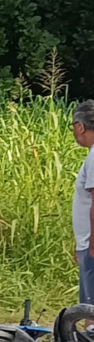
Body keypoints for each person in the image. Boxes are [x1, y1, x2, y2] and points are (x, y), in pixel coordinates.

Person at [72, 100, 94, 304]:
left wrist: (92, 244)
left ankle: (90, 335)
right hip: (86, 241)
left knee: (90, 307)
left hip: (91, 242)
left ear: (80, 127)